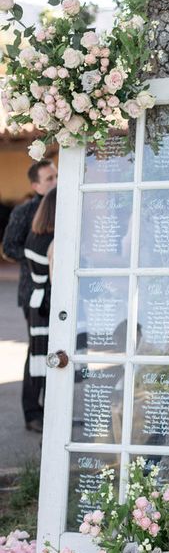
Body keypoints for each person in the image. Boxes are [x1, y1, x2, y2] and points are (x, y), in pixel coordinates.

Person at [2, 159, 57, 432]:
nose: (55, 182)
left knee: (55, 352)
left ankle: (52, 408)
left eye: (56, 176)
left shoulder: (64, 204)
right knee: (36, 351)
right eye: (49, 179)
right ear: (35, 185)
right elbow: (9, 247)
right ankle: (32, 412)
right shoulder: (25, 211)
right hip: (31, 291)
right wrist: (37, 258)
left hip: (55, 293)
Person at [23, 187, 56, 423]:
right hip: (47, 302)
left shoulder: (34, 236)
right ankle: (50, 415)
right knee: (50, 358)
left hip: (36, 299)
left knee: (38, 355)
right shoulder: (53, 241)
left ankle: (39, 411)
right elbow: (55, 279)